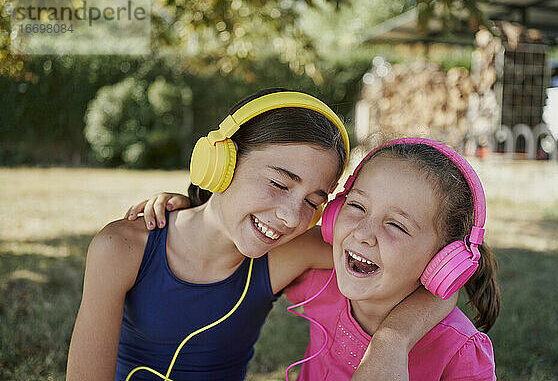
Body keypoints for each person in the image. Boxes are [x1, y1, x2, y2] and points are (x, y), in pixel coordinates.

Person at [67, 89, 454, 381]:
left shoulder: (284, 254)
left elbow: (441, 269)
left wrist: (393, 341)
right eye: (279, 184)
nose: (289, 217)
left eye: (312, 202)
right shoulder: (122, 248)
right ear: (219, 161)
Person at [283, 138, 500, 380]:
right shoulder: (319, 283)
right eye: (357, 205)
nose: (363, 233)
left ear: (443, 261)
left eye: (396, 225)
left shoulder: (460, 352)